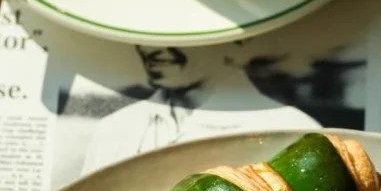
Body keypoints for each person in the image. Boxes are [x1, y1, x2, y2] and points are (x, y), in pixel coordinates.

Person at [81, 44, 321, 174]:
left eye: (176, 29)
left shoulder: (294, 133)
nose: (150, 48)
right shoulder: (112, 128)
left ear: (234, 44)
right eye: (144, 33)